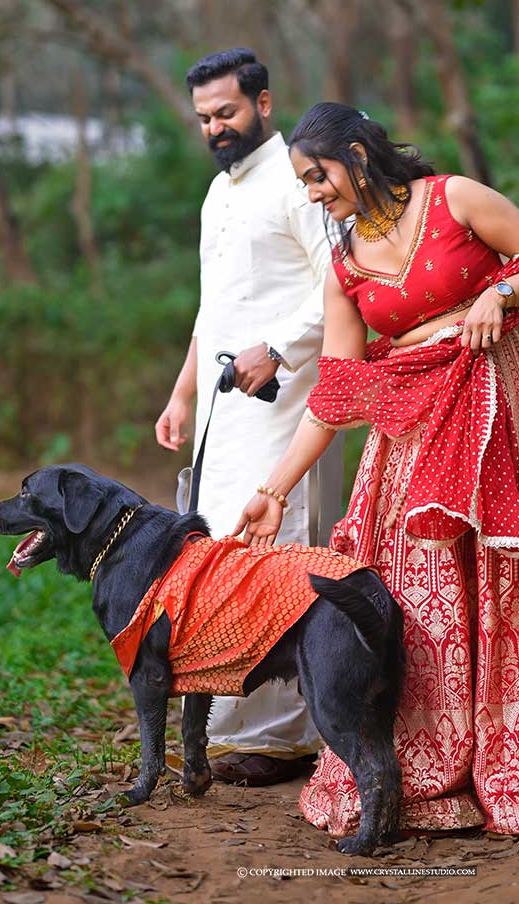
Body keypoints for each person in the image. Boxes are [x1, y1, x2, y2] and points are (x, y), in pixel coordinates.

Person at [231, 102, 519, 843]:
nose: (314, 193)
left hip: (505, 400)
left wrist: (498, 293)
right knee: (413, 591)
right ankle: (425, 766)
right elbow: (337, 394)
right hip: (413, 428)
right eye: (305, 184)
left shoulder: (454, 197)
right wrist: (272, 491)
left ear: (359, 155)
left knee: (517, 583)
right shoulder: (344, 263)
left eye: (318, 176)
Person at [155, 51, 343, 787]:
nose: (215, 128)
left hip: (284, 399)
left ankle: (284, 735)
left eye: (226, 113)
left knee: (274, 545)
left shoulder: (297, 182)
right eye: (204, 118)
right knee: (214, 552)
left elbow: (338, 281)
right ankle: (225, 730)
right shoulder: (216, 193)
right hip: (217, 407)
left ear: (263, 103)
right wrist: (180, 392)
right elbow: (214, 305)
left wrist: (280, 348)